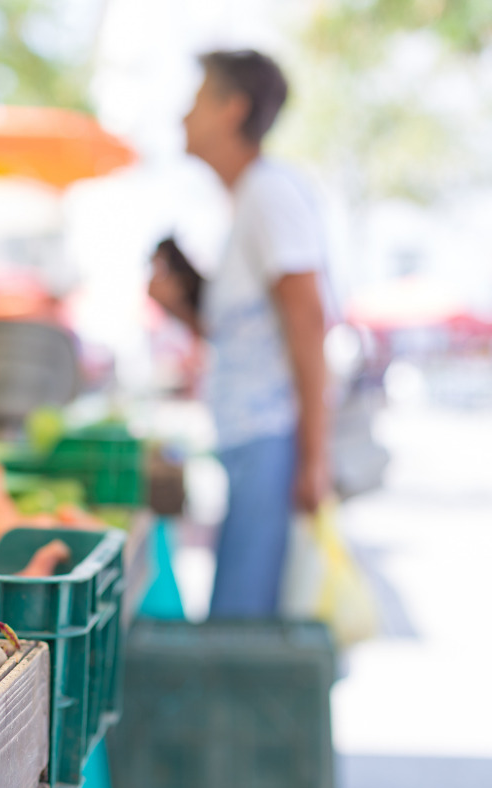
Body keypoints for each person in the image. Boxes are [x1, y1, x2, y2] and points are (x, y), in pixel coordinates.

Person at [149, 50, 329, 618]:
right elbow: (246, 339)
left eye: (198, 99)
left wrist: (313, 459)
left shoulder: (268, 194)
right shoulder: (247, 202)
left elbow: (308, 319)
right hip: (253, 441)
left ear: (233, 109)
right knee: (236, 610)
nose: (183, 115)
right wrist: (179, 309)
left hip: (271, 439)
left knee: (240, 622)